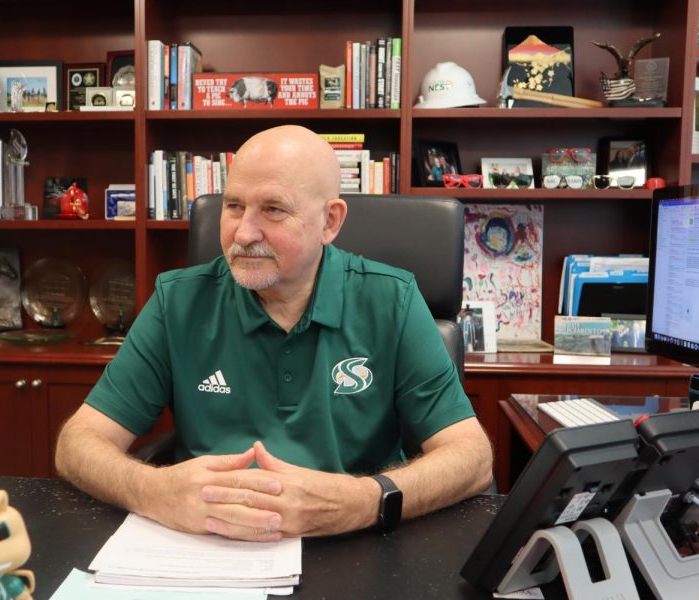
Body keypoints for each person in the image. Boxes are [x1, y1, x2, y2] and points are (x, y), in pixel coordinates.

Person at [55, 125, 492, 542]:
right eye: (233, 206)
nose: (243, 233)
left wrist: (360, 501)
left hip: (354, 544)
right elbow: (78, 444)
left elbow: (472, 459)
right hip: (206, 549)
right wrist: (155, 492)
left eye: (273, 209)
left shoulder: (391, 300)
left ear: (330, 222)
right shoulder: (179, 301)